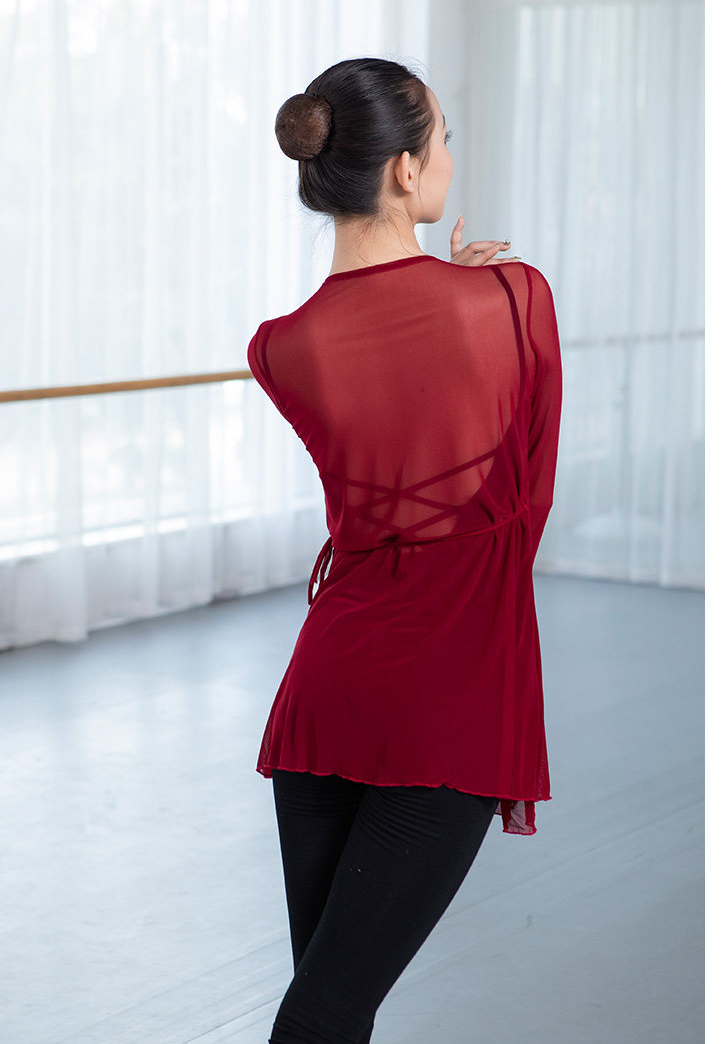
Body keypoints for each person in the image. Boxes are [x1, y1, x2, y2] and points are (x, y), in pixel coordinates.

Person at [247, 56, 563, 1043]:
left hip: (326, 691)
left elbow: (387, 396)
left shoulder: (279, 344)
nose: (451, 159)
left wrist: (455, 299)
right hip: (446, 697)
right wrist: (474, 298)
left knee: (328, 1002)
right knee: (332, 1007)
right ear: (405, 169)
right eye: (445, 140)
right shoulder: (513, 298)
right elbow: (521, 507)